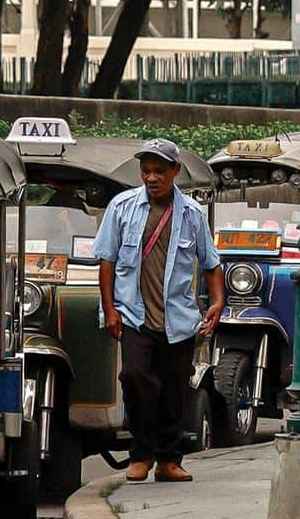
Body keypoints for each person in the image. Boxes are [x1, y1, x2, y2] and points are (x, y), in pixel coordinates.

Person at [93, 138, 225, 483]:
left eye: (159, 171)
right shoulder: (121, 208)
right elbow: (106, 261)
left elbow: (211, 264)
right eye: (146, 171)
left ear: (174, 173)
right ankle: (141, 454)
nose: (152, 178)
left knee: (175, 390)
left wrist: (217, 301)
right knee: (136, 379)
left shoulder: (192, 215)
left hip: (178, 319)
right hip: (133, 315)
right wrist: (109, 309)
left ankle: (169, 460)